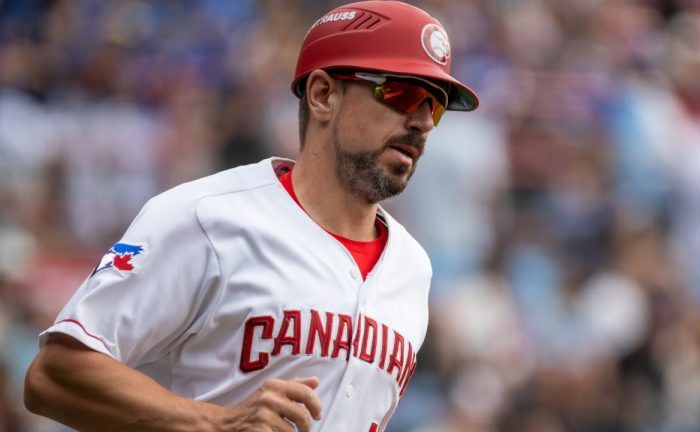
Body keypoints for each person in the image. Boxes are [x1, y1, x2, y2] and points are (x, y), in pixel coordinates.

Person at [23, 1, 478, 431]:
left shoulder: (413, 268)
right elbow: (53, 375)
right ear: (322, 95)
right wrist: (214, 422)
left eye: (434, 104)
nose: (421, 121)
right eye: (402, 93)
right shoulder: (207, 217)